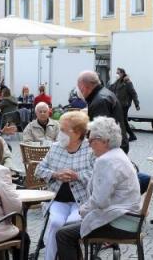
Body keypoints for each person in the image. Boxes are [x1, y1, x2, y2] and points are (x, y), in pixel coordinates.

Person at [55, 117, 141, 260]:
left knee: (63, 235)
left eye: (92, 139)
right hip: (129, 218)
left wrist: (83, 210)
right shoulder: (118, 154)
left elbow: (100, 201)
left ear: (105, 141)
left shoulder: (106, 161)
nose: (89, 143)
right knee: (69, 228)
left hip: (121, 221)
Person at [35, 111, 94, 260]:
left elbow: (98, 175)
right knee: (55, 223)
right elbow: (39, 170)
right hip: (57, 199)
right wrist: (55, 174)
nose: (59, 133)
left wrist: (77, 176)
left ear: (78, 132)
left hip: (82, 201)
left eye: (63, 130)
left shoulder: (90, 149)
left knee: (71, 224)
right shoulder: (55, 147)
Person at [77, 71, 129, 153]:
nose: (79, 91)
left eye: (79, 87)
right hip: (116, 146)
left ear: (83, 87)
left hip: (111, 149)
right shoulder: (103, 94)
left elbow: (99, 133)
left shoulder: (100, 101)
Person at [112, 68, 140, 142]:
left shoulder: (128, 83)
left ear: (122, 73)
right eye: (116, 73)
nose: (117, 74)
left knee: (123, 121)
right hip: (118, 104)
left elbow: (133, 94)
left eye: (118, 73)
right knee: (122, 120)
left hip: (125, 105)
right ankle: (130, 135)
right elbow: (111, 88)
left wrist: (137, 104)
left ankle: (128, 136)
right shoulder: (117, 82)